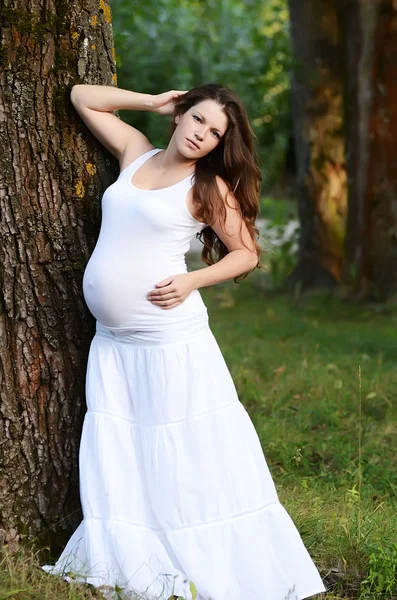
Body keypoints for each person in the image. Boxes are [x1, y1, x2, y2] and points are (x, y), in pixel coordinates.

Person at [42, 83, 326, 600]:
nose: (203, 135)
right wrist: (151, 101)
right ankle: (138, 552)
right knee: (128, 446)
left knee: (184, 448)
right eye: (198, 120)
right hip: (113, 343)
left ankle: (205, 554)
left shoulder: (207, 187)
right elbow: (83, 96)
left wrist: (194, 280)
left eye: (215, 132)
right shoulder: (135, 152)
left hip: (168, 339)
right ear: (180, 116)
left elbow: (245, 253)